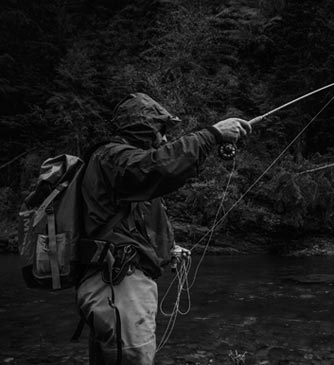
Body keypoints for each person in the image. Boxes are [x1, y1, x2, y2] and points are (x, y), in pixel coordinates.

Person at [76, 92, 251, 364]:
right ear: (143, 129)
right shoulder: (114, 157)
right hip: (118, 288)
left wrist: (169, 249)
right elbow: (162, 168)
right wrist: (212, 134)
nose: (166, 138)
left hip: (117, 285)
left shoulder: (121, 165)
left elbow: (131, 225)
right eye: (161, 131)